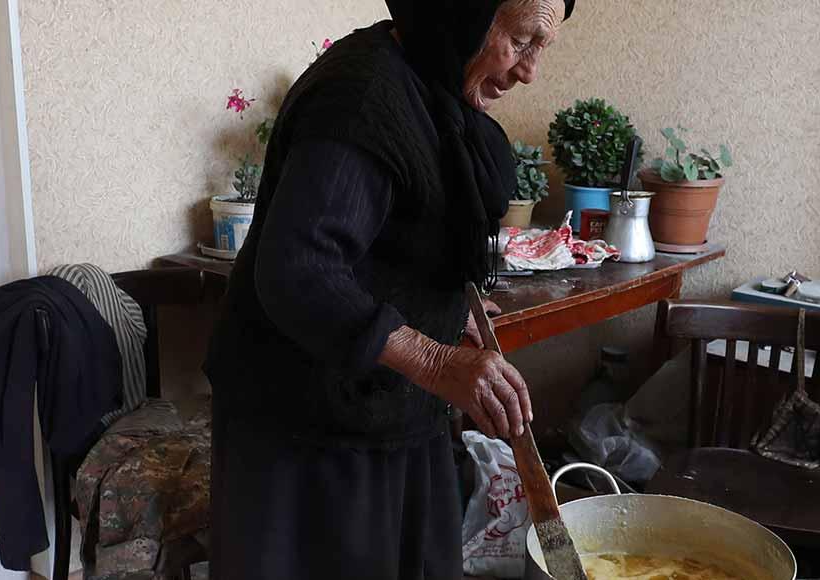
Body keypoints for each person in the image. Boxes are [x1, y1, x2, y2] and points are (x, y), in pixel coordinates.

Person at [204, 1, 573, 578]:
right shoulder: (363, 99)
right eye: (523, 40)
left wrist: (449, 316)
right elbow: (301, 271)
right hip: (306, 427)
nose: (529, 71)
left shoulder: (435, 87)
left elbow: (400, 243)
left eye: (541, 48)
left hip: (396, 404)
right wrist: (433, 356)